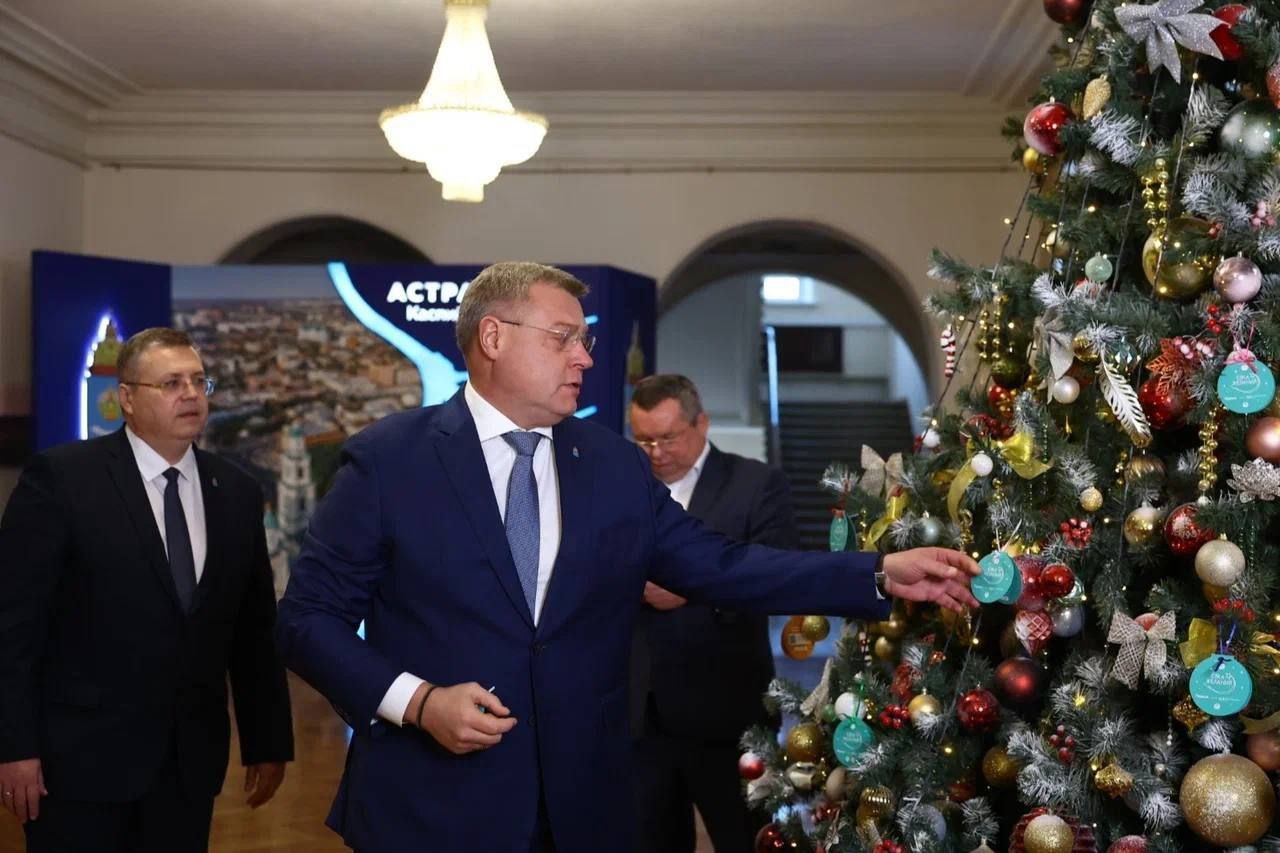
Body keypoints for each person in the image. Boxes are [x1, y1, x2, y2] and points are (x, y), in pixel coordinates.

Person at [274, 262, 978, 853]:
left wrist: (877, 572)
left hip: (587, 812)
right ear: (492, 337)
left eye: (584, 340)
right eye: (563, 339)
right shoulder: (389, 461)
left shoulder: (612, 464)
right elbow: (306, 619)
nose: (585, 358)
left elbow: (725, 564)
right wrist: (419, 701)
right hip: (432, 810)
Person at [0, 328, 294, 853]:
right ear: (127, 399)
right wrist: (13, 746)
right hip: (79, 766)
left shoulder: (237, 492)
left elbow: (252, 631)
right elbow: (13, 625)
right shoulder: (63, 480)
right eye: (171, 383)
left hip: (188, 769)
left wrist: (267, 740)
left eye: (199, 381)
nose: (190, 394)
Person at [627, 374, 796, 853]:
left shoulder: (756, 484)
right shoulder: (622, 487)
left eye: (667, 438)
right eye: (643, 441)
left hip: (726, 707)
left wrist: (691, 593)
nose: (656, 453)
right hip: (641, 714)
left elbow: (776, 573)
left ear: (701, 423)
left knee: (745, 838)